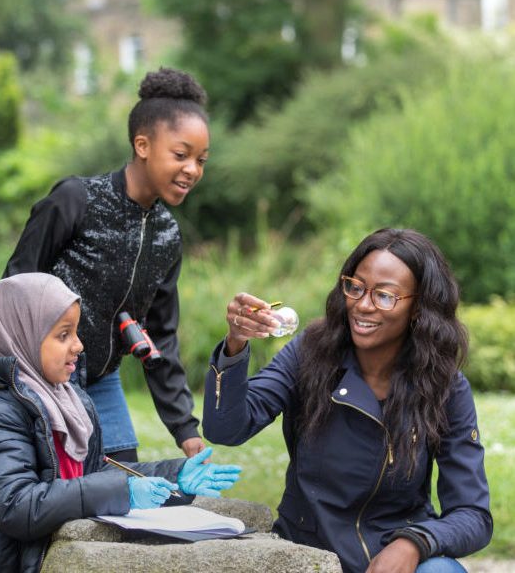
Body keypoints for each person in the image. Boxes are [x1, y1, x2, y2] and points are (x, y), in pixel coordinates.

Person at [0, 273, 241, 573]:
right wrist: (124, 492)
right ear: (23, 336)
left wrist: (172, 477)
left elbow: (90, 475)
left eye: (76, 332)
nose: (78, 345)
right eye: (63, 335)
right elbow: (18, 506)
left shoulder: (67, 400)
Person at [202, 228, 492, 573]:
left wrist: (414, 543)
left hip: (393, 557)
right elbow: (226, 428)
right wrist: (235, 346)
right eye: (355, 287)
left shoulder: (445, 387)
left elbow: (473, 514)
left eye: (385, 295)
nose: (362, 304)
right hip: (310, 555)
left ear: (419, 308)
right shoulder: (309, 353)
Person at [3, 67, 209, 462]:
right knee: (56, 490)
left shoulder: (167, 235)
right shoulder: (75, 200)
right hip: (41, 375)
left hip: (101, 379)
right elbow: (15, 285)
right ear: (143, 145)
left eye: (201, 160)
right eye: (181, 155)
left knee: (124, 483)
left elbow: (159, 336)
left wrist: (185, 428)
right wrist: (18, 377)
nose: (193, 170)